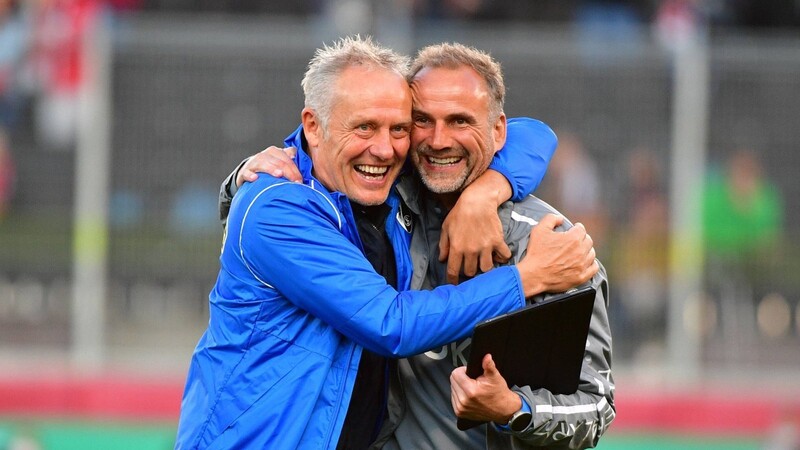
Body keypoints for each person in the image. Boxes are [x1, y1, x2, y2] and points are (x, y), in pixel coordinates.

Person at [177, 36, 597, 450]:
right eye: (364, 127)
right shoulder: (280, 208)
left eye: (398, 128)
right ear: (312, 126)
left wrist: (482, 195)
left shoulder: (387, 186)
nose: (383, 149)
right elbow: (390, 325)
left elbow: (532, 134)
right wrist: (524, 279)